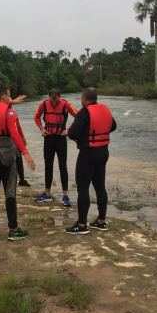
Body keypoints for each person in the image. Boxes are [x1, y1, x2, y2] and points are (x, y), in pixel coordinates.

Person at [0, 84, 35, 241]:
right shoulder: (8, 112)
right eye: (9, 95)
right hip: (7, 158)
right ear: (3, 96)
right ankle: (13, 229)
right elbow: (15, 135)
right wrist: (26, 153)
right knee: (10, 192)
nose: (10, 98)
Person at [66, 88, 116, 234]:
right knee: (100, 186)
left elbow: (72, 133)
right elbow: (113, 126)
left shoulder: (84, 112)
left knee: (83, 188)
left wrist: (83, 138)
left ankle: (82, 225)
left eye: (81, 98)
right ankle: (101, 221)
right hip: (103, 152)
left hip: (88, 154)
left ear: (85, 99)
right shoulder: (105, 110)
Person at [33, 89, 78, 207]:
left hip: (61, 139)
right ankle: (47, 193)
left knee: (62, 166)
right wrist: (42, 129)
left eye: (55, 100)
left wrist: (68, 131)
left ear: (59, 96)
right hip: (48, 138)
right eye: (51, 99)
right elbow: (36, 117)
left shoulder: (65, 104)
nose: (53, 103)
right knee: (48, 165)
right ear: (49, 97)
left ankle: (65, 194)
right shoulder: (44, 104)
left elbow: (78, 117)